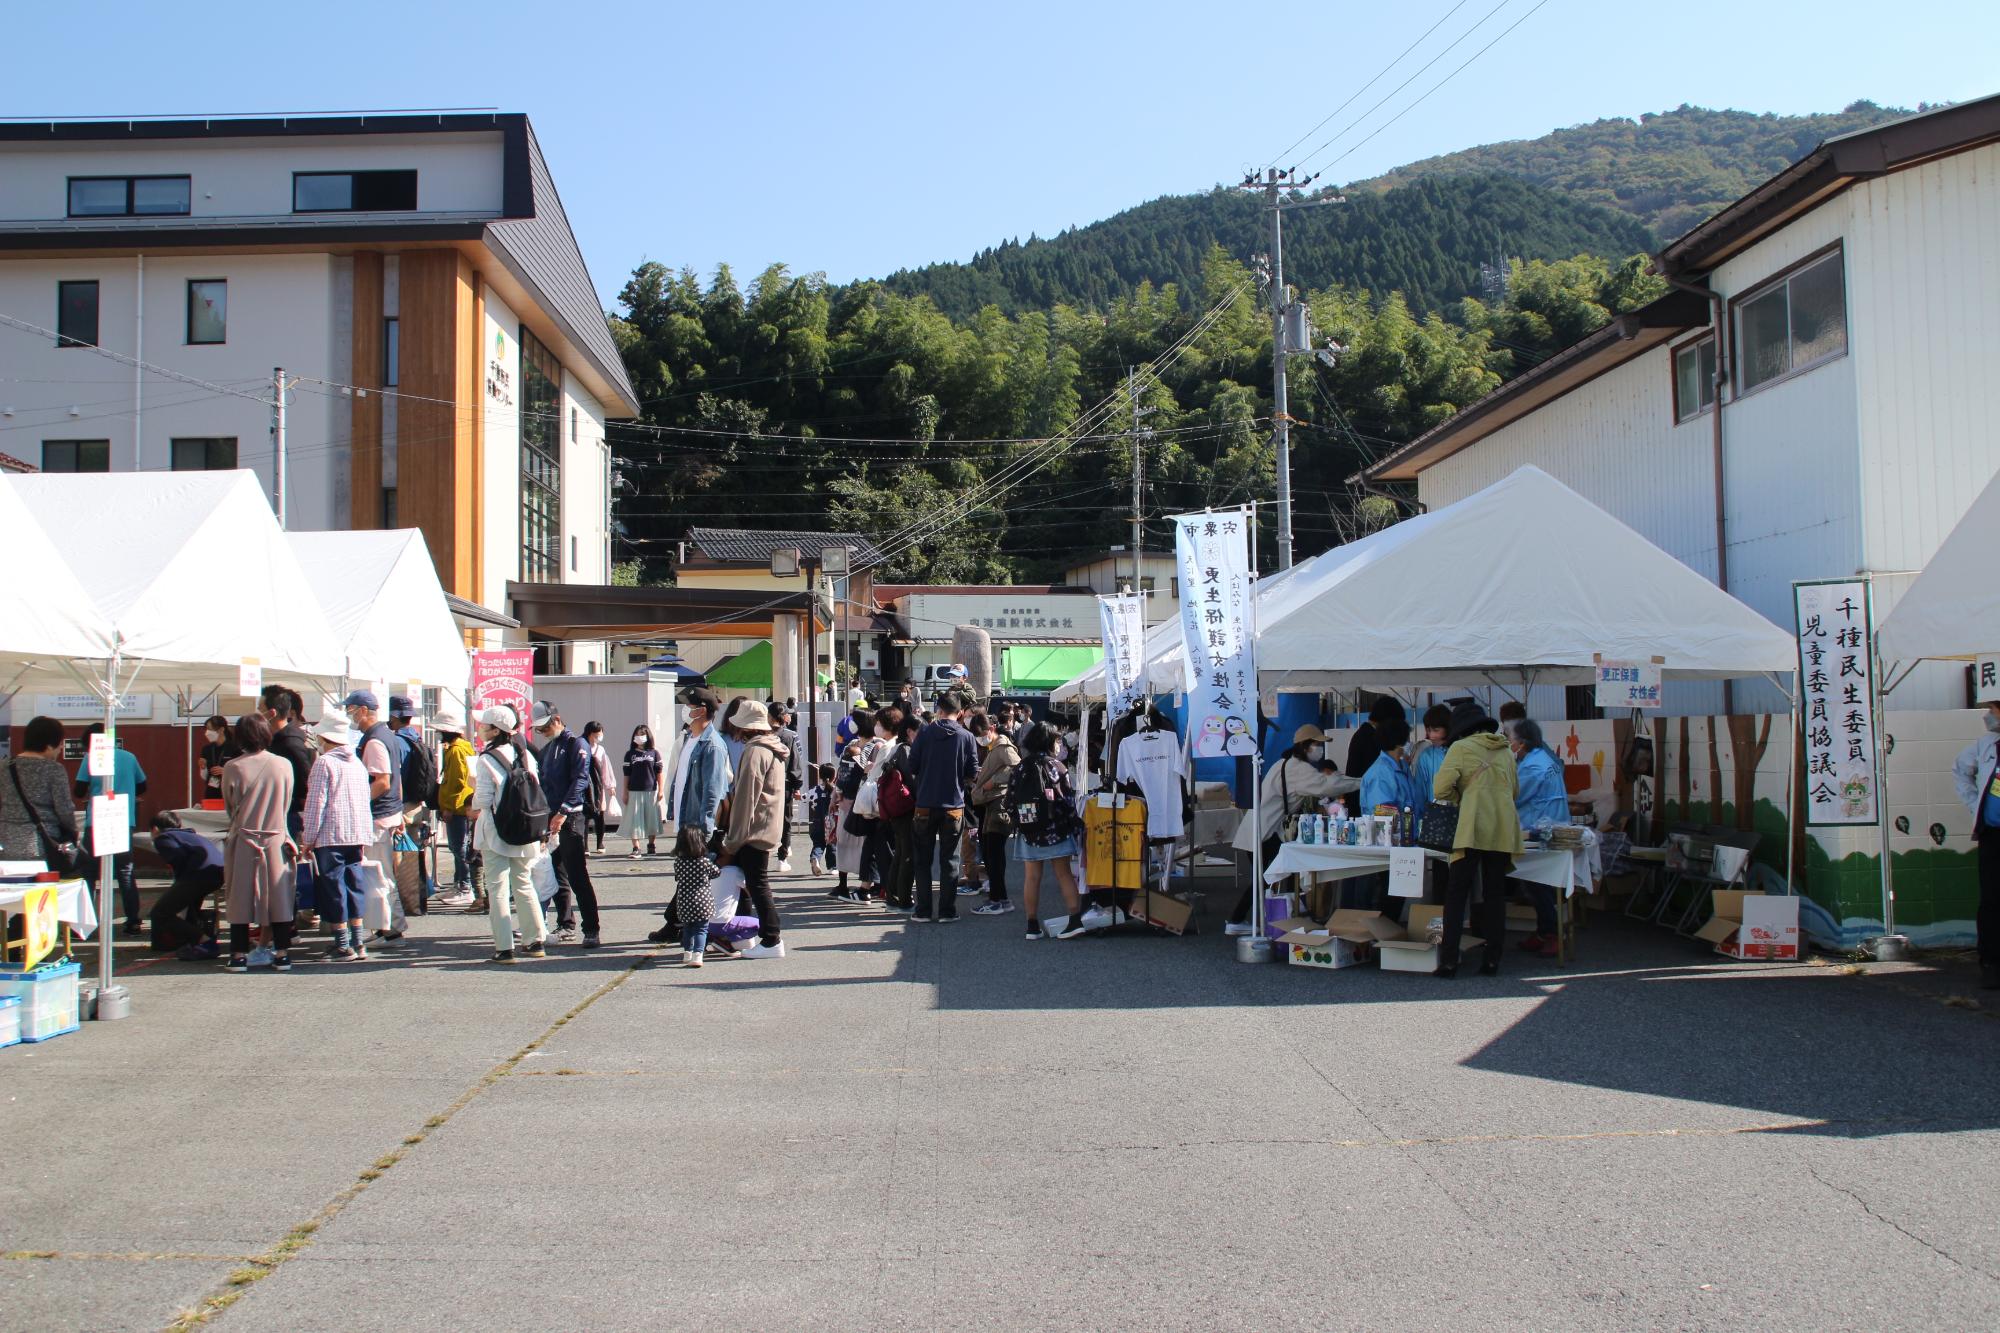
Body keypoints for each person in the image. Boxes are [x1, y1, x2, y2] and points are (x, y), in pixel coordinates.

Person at [1227, 725, 1358, 934]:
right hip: (1265, 830)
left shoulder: (1283, 763)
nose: (1320, 749)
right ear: (1306, 746)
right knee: (1267, 876)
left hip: (1262, 828)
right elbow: (1326, 787)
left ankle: (1290, 913)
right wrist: (1360, 782)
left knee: (1277, 872)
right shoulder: (1298, 768)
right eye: (1317, 744)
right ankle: (1239, 919)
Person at [1431, 701, 1522, 979]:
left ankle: (1449, 961)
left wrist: (1463, 797)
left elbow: (1440, 788)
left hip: (1470, 827)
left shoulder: (1460, 748)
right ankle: (1492, 960)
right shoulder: (1506, 751)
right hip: (1502, 828)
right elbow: (1515, 791)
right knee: (1495, 894)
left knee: (1457, 894)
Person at [648, 687, 731, 944]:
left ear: (701, 710)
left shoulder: (713, 745)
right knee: (688, 876)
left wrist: (704, 830)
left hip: (698, 825)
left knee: (694, 877)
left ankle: (686, 929)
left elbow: (712, 791)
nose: (685, 709)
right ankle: (678, 924)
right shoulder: (687, 740)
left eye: (689, 705)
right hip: (687, 821)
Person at [469, 705, 549, 964]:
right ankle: (535, 940)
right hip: (526, 829)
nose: (480, 729)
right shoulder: (525, 754)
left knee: (498, 888)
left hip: (496, 831)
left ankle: (504, 948)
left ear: (495, 730)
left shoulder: (487, 759)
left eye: (484, 725)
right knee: (524, 883)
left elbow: (483, 799)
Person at [221, 713, 296, 973]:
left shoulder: (233, 767)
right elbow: (286, 802)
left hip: (244, 838)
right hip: (276, 837)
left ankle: (238, 955)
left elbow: (230, 806)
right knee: (280, 896)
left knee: (239, 897)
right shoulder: (283, 765)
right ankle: (282, 954)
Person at [300, 714, 375, 962]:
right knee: (355, 886)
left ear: (324, 738)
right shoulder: (357, 763)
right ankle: (359, 941)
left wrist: (307, 838)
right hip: (356, 834)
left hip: (331, 836)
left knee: (334, 889)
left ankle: (342, 945)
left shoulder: (324, 764)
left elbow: (315, 804)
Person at [717, 699, 787, 958]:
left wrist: (732, 841)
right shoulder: (773, 748)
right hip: (767, 825)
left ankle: (771, 938)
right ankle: (747, 936)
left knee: (756, 884)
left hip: (753, 829)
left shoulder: (755, 751)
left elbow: (746, 798)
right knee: (750, 883)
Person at [532, 700, 602, 948]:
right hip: (552, 818)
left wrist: (562, 812)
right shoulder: (549, 750)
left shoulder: (576, 744)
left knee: (577, 875)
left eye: (545, 728)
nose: (543, 733)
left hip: (570, 817)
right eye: (539, 730)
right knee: (556, 873)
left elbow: (580, 780)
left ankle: (591, 928)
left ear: (557, 720)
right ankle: (565, 923)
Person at [907, 689, 980, 922]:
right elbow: (972, 772)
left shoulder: (925, 734)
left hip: (925, 804)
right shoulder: (966, 737)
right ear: (959, 714)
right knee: (950, 860)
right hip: (954, 806)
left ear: (938, 710)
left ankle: (924, 910)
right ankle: (948, 911)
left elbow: (912, 766)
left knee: (922, 860)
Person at [1010, 722, 1087, 940]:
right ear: (1049, 742)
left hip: (1030, 831)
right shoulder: (1057, 767)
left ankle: (1032, 926)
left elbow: (1010, 800)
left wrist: (1020, 823)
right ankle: (1074, 920)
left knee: (1032, 877)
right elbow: (1068, 801)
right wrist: (1076, 825)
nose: (1058, 744)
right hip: (1056, 830)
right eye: (1056, 740)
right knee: (1064, 874)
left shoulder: (1021, 768)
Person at [341, 690, 407, 943]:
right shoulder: (386, 735)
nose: (350, 715)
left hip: (378, 817)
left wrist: (358, 802)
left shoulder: (375, 740)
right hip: (388, 814)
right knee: (384, 875)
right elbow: (394, 781)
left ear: (363, 710)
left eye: (351, 709)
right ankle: (390, 927)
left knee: (379, 877)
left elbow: (382, 781)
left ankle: (388, 929)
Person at [74, 721, 148, 936]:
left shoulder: (90, 758)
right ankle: (133, 920)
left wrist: (95, 788)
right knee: (125, 871)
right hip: (123, 819)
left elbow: (79, 790)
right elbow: (143, 785)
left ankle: (84, 923)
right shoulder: (129, 757)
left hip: (96, 820)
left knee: (88, 872)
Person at [1509, 717, 1570, 958]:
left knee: (1536, 883)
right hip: (1547, 823)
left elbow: (1514, 795)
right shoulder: (1541, 758)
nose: (1509, 742)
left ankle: (1552, 932)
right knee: (1535, 883)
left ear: (1522, 742)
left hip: (1540, 827)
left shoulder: (1533, 766)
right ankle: (1545, 930)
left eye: (1511, 738)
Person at [1953, 687, 2000, 990]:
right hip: (1993, 833)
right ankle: (1992, 963)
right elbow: (1960, 771)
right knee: (1993, 899)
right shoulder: (1987, 745)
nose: (1989, 716)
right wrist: (1975, 806)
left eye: (1993, 710)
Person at [1, 715, 76, 875]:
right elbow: (65, 810)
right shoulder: (54, 770)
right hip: (43, 845)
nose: (61, 748)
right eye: (59, 744)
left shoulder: (4, 767)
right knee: (42, 896)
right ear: (49, 746)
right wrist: (72, 831)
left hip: (7, 843)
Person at [147, 812, 223, 956]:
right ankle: (196, 940)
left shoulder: (163, 838)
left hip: (197, 874)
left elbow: (179, 859)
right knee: (190, 908)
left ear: (155, 829)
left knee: (160, 913)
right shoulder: (192, 835)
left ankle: (205, 941)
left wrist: (180, 882)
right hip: (217, 873)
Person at [967, 711, 1019, 916]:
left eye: (981, 734)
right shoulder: (993, 746)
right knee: (990, 854)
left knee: (994, 855)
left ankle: (999, 899)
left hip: (999, 805)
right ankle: (998, 897)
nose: (980, 739)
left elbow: (1017, 767)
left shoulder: (1003, 746)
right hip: (991, 804)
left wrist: (994, 781)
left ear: (991, 729)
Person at [387, 696, 437, 906]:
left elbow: (395, 777)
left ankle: (406, 898)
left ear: (393, 716)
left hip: (402, 805)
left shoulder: (396, 742)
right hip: (418, 804)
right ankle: (422, 892)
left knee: (400, 853)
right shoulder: (417, 739)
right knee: (415, 850)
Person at [430, 714, 479, 910]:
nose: (439, 734)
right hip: (459, 806)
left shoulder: (457, 751)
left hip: (458, 807)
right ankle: (460, 883)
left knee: (459, 847)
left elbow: (458, 782)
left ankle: (465, 886)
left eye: (441, 731)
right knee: (458, 847)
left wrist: (449, 807)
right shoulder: (459, 748)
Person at [261, 688, 316, 844]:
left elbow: (307, 780)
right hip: (280, 812)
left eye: (260, 709)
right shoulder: (275, 740)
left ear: (272, 713)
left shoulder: (290, 742)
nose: (258, 714)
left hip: (292, 814)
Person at [883, 711, 923, 910]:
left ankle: (893, 896)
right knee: (908, 855)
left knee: (900, 853)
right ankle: (904, 899)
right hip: (905, 808)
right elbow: (913, 781)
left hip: (895, 808)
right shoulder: (906, 751)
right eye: (919, 731)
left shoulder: (897, 748)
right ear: (910, 732)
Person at [1343, 697, 1406, 814]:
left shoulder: (1364, 734)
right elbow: (1381, 807)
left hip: (1361, 804)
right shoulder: (1370, 739)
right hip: (1366, 810)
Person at [672, 823, 718, 967]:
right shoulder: (704, 862)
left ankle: (687, 953)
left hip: (684, 900)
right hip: (702, 900)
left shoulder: (678, 862)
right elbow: (716, 872)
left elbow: (677, 877)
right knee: (701, 929)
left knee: (687, 929)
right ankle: (698, 954)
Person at [622, 723, 664, 859]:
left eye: (642, 734)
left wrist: (661, 789)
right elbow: (626, 774)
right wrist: (625, 791)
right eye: (637, 735)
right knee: (635, 820)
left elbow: (659, 773)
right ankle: (636, 847)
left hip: (651, 790)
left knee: (652, 818)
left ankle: (651, 845)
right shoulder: (630, 754)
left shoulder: (654, 753)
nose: (639, 737)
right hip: (634, 791)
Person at [769, 702, 802, 873]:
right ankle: (782, 857)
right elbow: (796, 763)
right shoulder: (790, 736)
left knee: (763, 819)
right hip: (785, 784)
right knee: (785, 821)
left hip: (765, 785)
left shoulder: (761, 735)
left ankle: (763, 853)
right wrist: (797, 785)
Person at [581, 721, 620, 855]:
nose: (600, 735)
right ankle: (585, 846)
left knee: (599, 815)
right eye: (598, 733)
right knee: (585, 817)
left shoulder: (601, 750)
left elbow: (605, 769)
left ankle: (600, 843)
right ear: (591, 733)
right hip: (584, 787)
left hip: (598, 787)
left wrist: (610, 786)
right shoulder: (581, 746)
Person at [1411, 704, 1454, 802]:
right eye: (1429, 730)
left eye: (1436, 730)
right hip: (1435, 812)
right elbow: (1419, 791)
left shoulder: (1459, 751)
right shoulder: (1425, 756)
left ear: (1447, 728)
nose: (1431, 735)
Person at [198, 713, 241, 804]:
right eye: (206, 729)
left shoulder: (235, 748)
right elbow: (204, 776)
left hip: (229, 792)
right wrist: (203, 767)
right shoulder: (206, 749)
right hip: (211, 792)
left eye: (210, 729)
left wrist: (226, 770)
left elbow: (241, 771)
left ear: (221, 729)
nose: (207, 733)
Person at [808, 762, 836, 877]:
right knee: (832, 845)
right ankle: (833, 867)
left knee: (818, 844)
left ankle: (815, 858)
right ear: (834, 776)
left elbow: (804, 797)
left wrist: (798, 795)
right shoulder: (835, 790)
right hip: (831, 823)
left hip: (816, 824)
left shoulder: (815, 790)